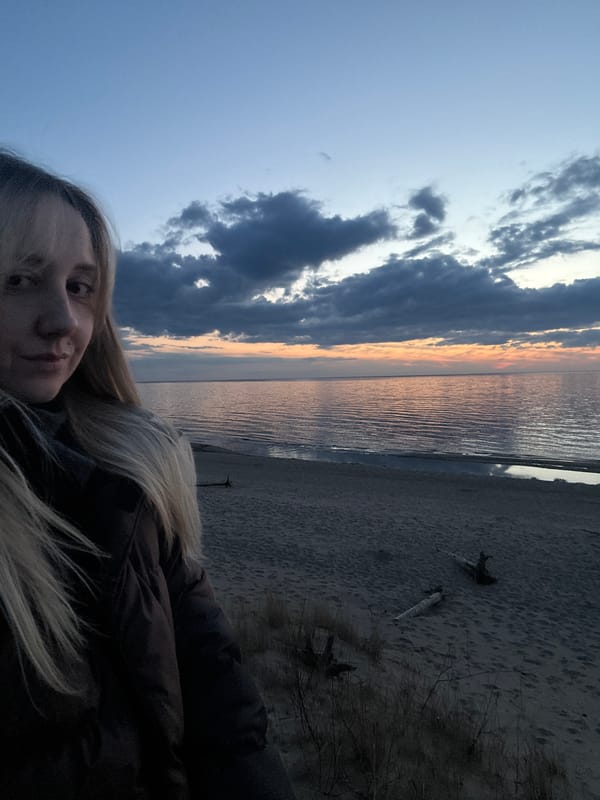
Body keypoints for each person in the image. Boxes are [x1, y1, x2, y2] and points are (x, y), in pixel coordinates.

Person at [0, 149, 296, 799]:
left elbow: (216, 692)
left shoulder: (130, 470)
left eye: (80, 287)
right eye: (19, 279)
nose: (63, 322)